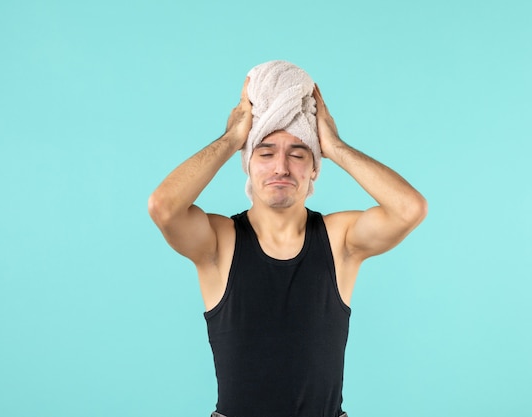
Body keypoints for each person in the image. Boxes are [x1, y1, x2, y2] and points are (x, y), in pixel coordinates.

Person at [148, 61, 427, 417]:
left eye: (297, 154)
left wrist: (335, 146)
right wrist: (233, 138)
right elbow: (164, 207)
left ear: (314, 168)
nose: (281, 167)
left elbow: (410, 208)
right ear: (248, 163)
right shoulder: (221, 241)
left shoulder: (338, 240)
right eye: (265, 153)